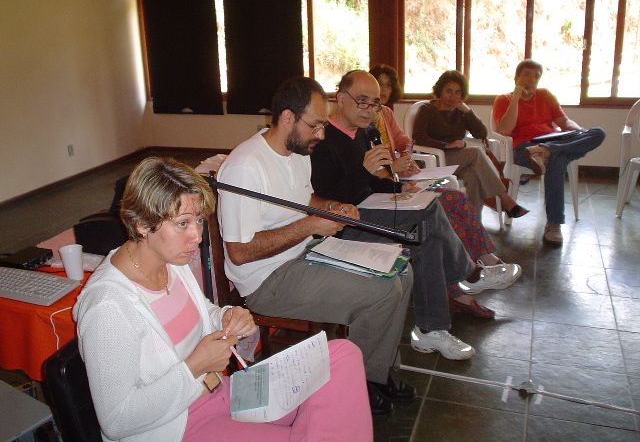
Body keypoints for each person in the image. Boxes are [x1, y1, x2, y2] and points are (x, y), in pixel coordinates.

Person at [73, 156, 373, 441]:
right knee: (330, 422)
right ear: (141, 224)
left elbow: (205, 312)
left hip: (225, 392)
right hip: (179, 424)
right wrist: (194, 365)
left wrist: (228, 315)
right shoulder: (108, 308)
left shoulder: (169, 261)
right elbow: (116, 421)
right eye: (183, 223)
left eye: (199, 222)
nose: (197, 236)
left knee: (343, 355)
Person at [216, 76, 415, 418]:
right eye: (316, 125)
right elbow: (240, 251)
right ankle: (361, 383)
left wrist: (330, 208)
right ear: (288, 118)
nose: (321, 134)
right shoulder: (245, 168)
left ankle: (376, 374)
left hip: (301, 256)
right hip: (267, 281)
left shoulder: (297, 152)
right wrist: (310, 225)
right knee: (382, 291)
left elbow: (305, 199)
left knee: (402, 271)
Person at [311, 70, 480, 358]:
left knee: (426, 233)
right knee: (428, 211)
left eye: (375, 103)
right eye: (362, 101)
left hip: (371, 209)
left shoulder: (364, 133)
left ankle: (430, 330)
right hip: (343, 223)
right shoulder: (321, 140)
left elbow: (370, 183)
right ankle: (467, 273)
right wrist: (364, 172)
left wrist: (398, 184)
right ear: (341, 98)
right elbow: (326, 198)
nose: (369, 110)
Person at [367, 65, 522, 305]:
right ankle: (477, 259)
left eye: (388, 85)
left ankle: (479, 253)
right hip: (408, 174)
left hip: (411, 173)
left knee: (467, 182)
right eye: (379, 84)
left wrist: (404, 154)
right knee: (472, 162)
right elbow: (415, 140)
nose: (384, 90)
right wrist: (444, 145)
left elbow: (405, 139)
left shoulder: (386, 113)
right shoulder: (422, 111)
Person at [492, 59, 606, 245]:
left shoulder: (545, 95)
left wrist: (578, 132)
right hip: (524, 148)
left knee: (598, 133)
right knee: (558, 160)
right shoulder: (503, 100)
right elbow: (505, 130)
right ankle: (554, 224)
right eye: (527, 74)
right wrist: (516, 98)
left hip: (552, 142)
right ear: (516, 78)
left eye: (536, 76)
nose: (531, 79)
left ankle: (547, 150)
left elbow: (564, 122)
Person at [412, 70, 528, 219]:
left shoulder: (460, 112)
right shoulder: (427, 110)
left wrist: (467, 111)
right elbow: (418, 137)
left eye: (457, 92)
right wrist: (447, 145)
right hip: (434, 158)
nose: (453, 96)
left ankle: (472, 222)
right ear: (440, 90)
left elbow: (481, 133)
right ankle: (505, 198)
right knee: (475, 152)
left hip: (457, 157)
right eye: (449, 91)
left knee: (473, 176)